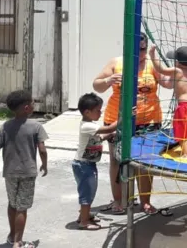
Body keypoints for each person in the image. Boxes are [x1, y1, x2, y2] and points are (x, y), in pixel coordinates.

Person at [92, 31, 173, 215]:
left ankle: (145, 201)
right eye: (136, 50)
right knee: (117, 160)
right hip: (117, 120)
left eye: (143, 50)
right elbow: (96, 85)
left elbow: (168, 83)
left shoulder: (152, 64)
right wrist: (108, 80)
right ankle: (118, 200)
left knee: (145, 162)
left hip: (149, 120)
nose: (140, 54)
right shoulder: (116, 63)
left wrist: (179, 71)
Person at [0, 90, 48, 248]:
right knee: (22, 208)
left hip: (10, 173)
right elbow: (42, 149)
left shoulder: (5, 126)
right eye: (33, 103)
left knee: (12, 204)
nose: (35, 105)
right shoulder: (36, 127)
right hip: (28, 173)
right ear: (27, 107)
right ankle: (18, 241)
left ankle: (11, 235)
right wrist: (44, 164)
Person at [149, 45, 187, 160]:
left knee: (181, 129)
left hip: (184, 105)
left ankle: (186, 155)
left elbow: (161, 69)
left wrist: (152, 55)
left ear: (179, 62)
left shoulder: (177, 70)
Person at [73, 93, 118, 230]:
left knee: (90, 191)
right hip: (83, 165)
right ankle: (84, 222)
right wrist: (123, 118)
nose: (100, 112)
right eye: (98, 110)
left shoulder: (90, 125)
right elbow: (110, 127)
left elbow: (99, 137)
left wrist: (109, 136)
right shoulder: (87, 126)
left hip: (87, 163)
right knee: (87, 192)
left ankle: (84, 215)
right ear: (87, 112)